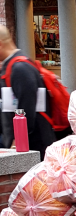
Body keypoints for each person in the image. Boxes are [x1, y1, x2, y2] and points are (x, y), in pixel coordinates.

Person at [0, 26, 55, 157]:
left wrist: (16, 143)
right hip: (21, 145)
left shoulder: (20, 68)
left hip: (31, 147)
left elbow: (26, 109)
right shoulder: (12, 66)